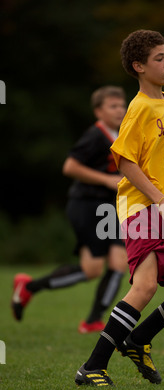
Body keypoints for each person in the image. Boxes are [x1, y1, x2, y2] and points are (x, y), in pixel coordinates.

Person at [75, 30, 164, 387]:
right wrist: (159, 200)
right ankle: (93, 367)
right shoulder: (138, 108)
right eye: (159, 58)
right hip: (139, 206)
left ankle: (139, 339)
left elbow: (157, 161)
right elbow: (125, 162)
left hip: (163, 204)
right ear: (139, 66)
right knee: (144, 287)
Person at [11, 86, 128, 334]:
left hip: (108, 208)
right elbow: (70, 167)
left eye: (122, 105)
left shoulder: (119, 135)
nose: (120, 110)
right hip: (86, 205)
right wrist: (106, 180)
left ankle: (93, 321)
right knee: (92, 270)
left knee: (120, 262)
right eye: (113, 106)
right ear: (98, 111)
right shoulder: (95, 136)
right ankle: (29, 287)